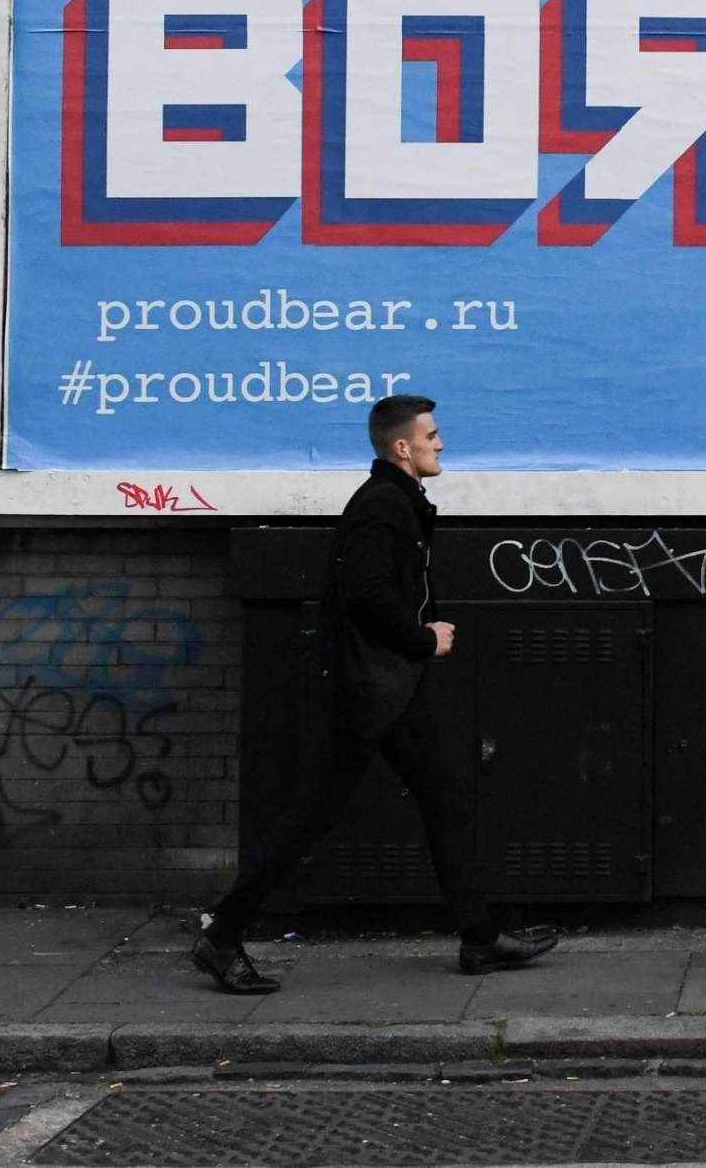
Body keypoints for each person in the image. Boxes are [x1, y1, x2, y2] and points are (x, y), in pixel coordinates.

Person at [191, 395, 557, 993]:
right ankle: (222, 937)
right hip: (369, 691)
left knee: (447, 796)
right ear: (401, 447)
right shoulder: (381, 507)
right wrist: (423, 638)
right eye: (432, 436)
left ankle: (480, 937)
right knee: (309, 819)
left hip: (389, 687)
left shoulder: (396, 502)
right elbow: (366, 594)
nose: (441, 444)